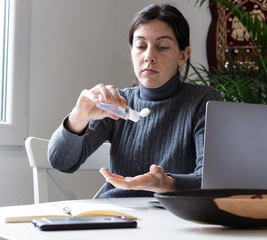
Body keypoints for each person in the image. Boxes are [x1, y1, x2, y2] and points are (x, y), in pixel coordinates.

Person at [48, 4, 221, 198]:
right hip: (116, 218)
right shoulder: (117, 103)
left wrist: (166, 184)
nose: (149, 56)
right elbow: (60, 161)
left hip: (175, 219)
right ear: (131, 52)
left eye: (162, 47)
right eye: (140, 46)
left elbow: (211, 180)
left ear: (183, 55)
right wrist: (79, 115)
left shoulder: (203, 102)